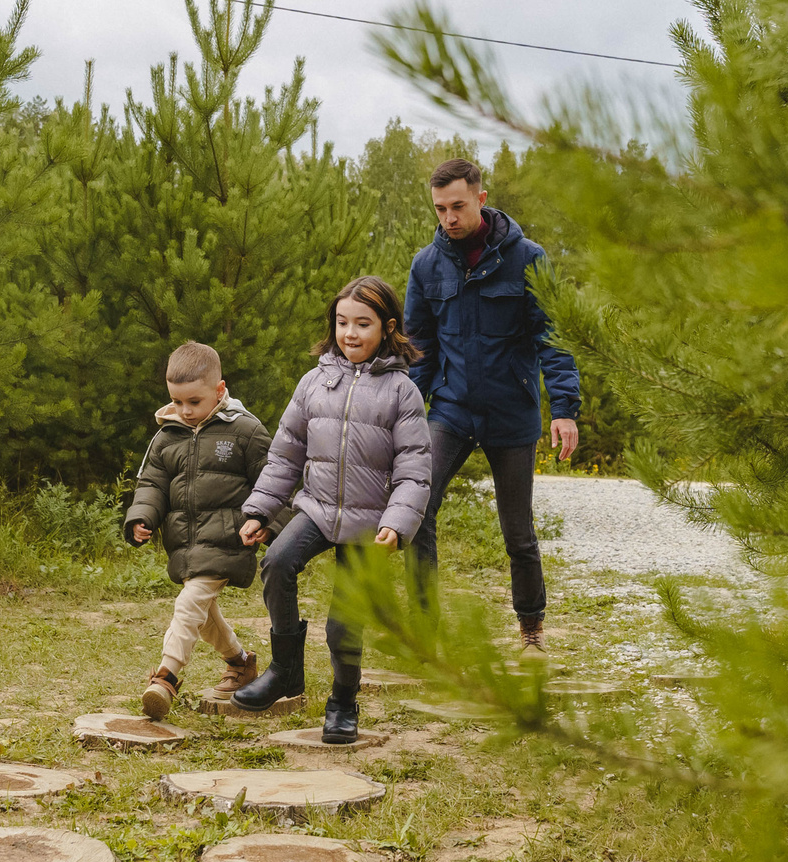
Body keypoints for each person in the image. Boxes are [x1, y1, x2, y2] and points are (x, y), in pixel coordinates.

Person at [231, 276, 433, 744]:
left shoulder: (402, 392)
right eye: (343, 322)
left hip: (369, 523)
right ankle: (285, 671)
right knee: (278, 562)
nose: (350, 333)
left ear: (387, 328)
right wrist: (260, 511)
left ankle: (343, 702)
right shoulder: (314, 382)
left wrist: (397, 524)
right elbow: (286, 453)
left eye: (363, 324)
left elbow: (414, 468)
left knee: (345, 622)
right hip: (318, 509)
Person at [405, 156, 582, 650]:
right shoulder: (426, 265)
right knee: (416, 507)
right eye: (440, 209)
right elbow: (418, 348)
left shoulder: (528, 257)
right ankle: (425, 633)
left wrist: (564, 409)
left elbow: (554, 336)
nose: (448, 218)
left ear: (481, 199)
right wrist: (402, 412)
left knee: (518, 533)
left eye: (457, 206)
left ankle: (531, 633)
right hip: (452, 410)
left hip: (511, 410)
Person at [122, 341, 270, 719]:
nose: (184, 411)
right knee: (203, 614)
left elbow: (273, 481)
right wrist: (142, 518)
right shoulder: (166, 436)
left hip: (227, 537)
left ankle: (167, 676)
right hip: (185, 542)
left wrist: (267, 521)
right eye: (177, 401)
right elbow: (152, 485)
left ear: (220, 390)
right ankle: (240, 662)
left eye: (194, 401)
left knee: (189, 605)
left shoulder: (245, 430)